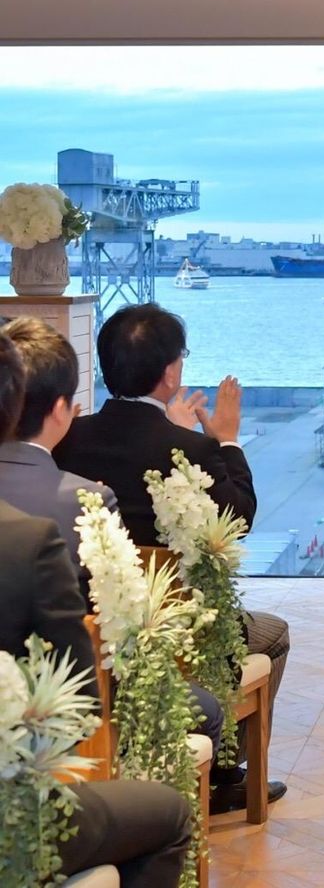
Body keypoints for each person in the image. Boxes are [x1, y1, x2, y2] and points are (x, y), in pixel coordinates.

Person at [52, 302, 289, 812]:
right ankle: (225, 774)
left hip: (96, 625)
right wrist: (227, 440)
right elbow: (239, 518)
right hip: (181, 629)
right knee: (273, 635)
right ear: (171, 373)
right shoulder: (192, 451)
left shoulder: (67, 440)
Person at [0, 330, 193, 887]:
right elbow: (82, 702)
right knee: (169, 813)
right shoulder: (39, 531)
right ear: (61, 408)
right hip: (18, 800)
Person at [0, 316, 225, 763]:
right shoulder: (85, 502)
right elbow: (117, 623)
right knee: (209, 712)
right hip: (51, 720)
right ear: (61, 408)